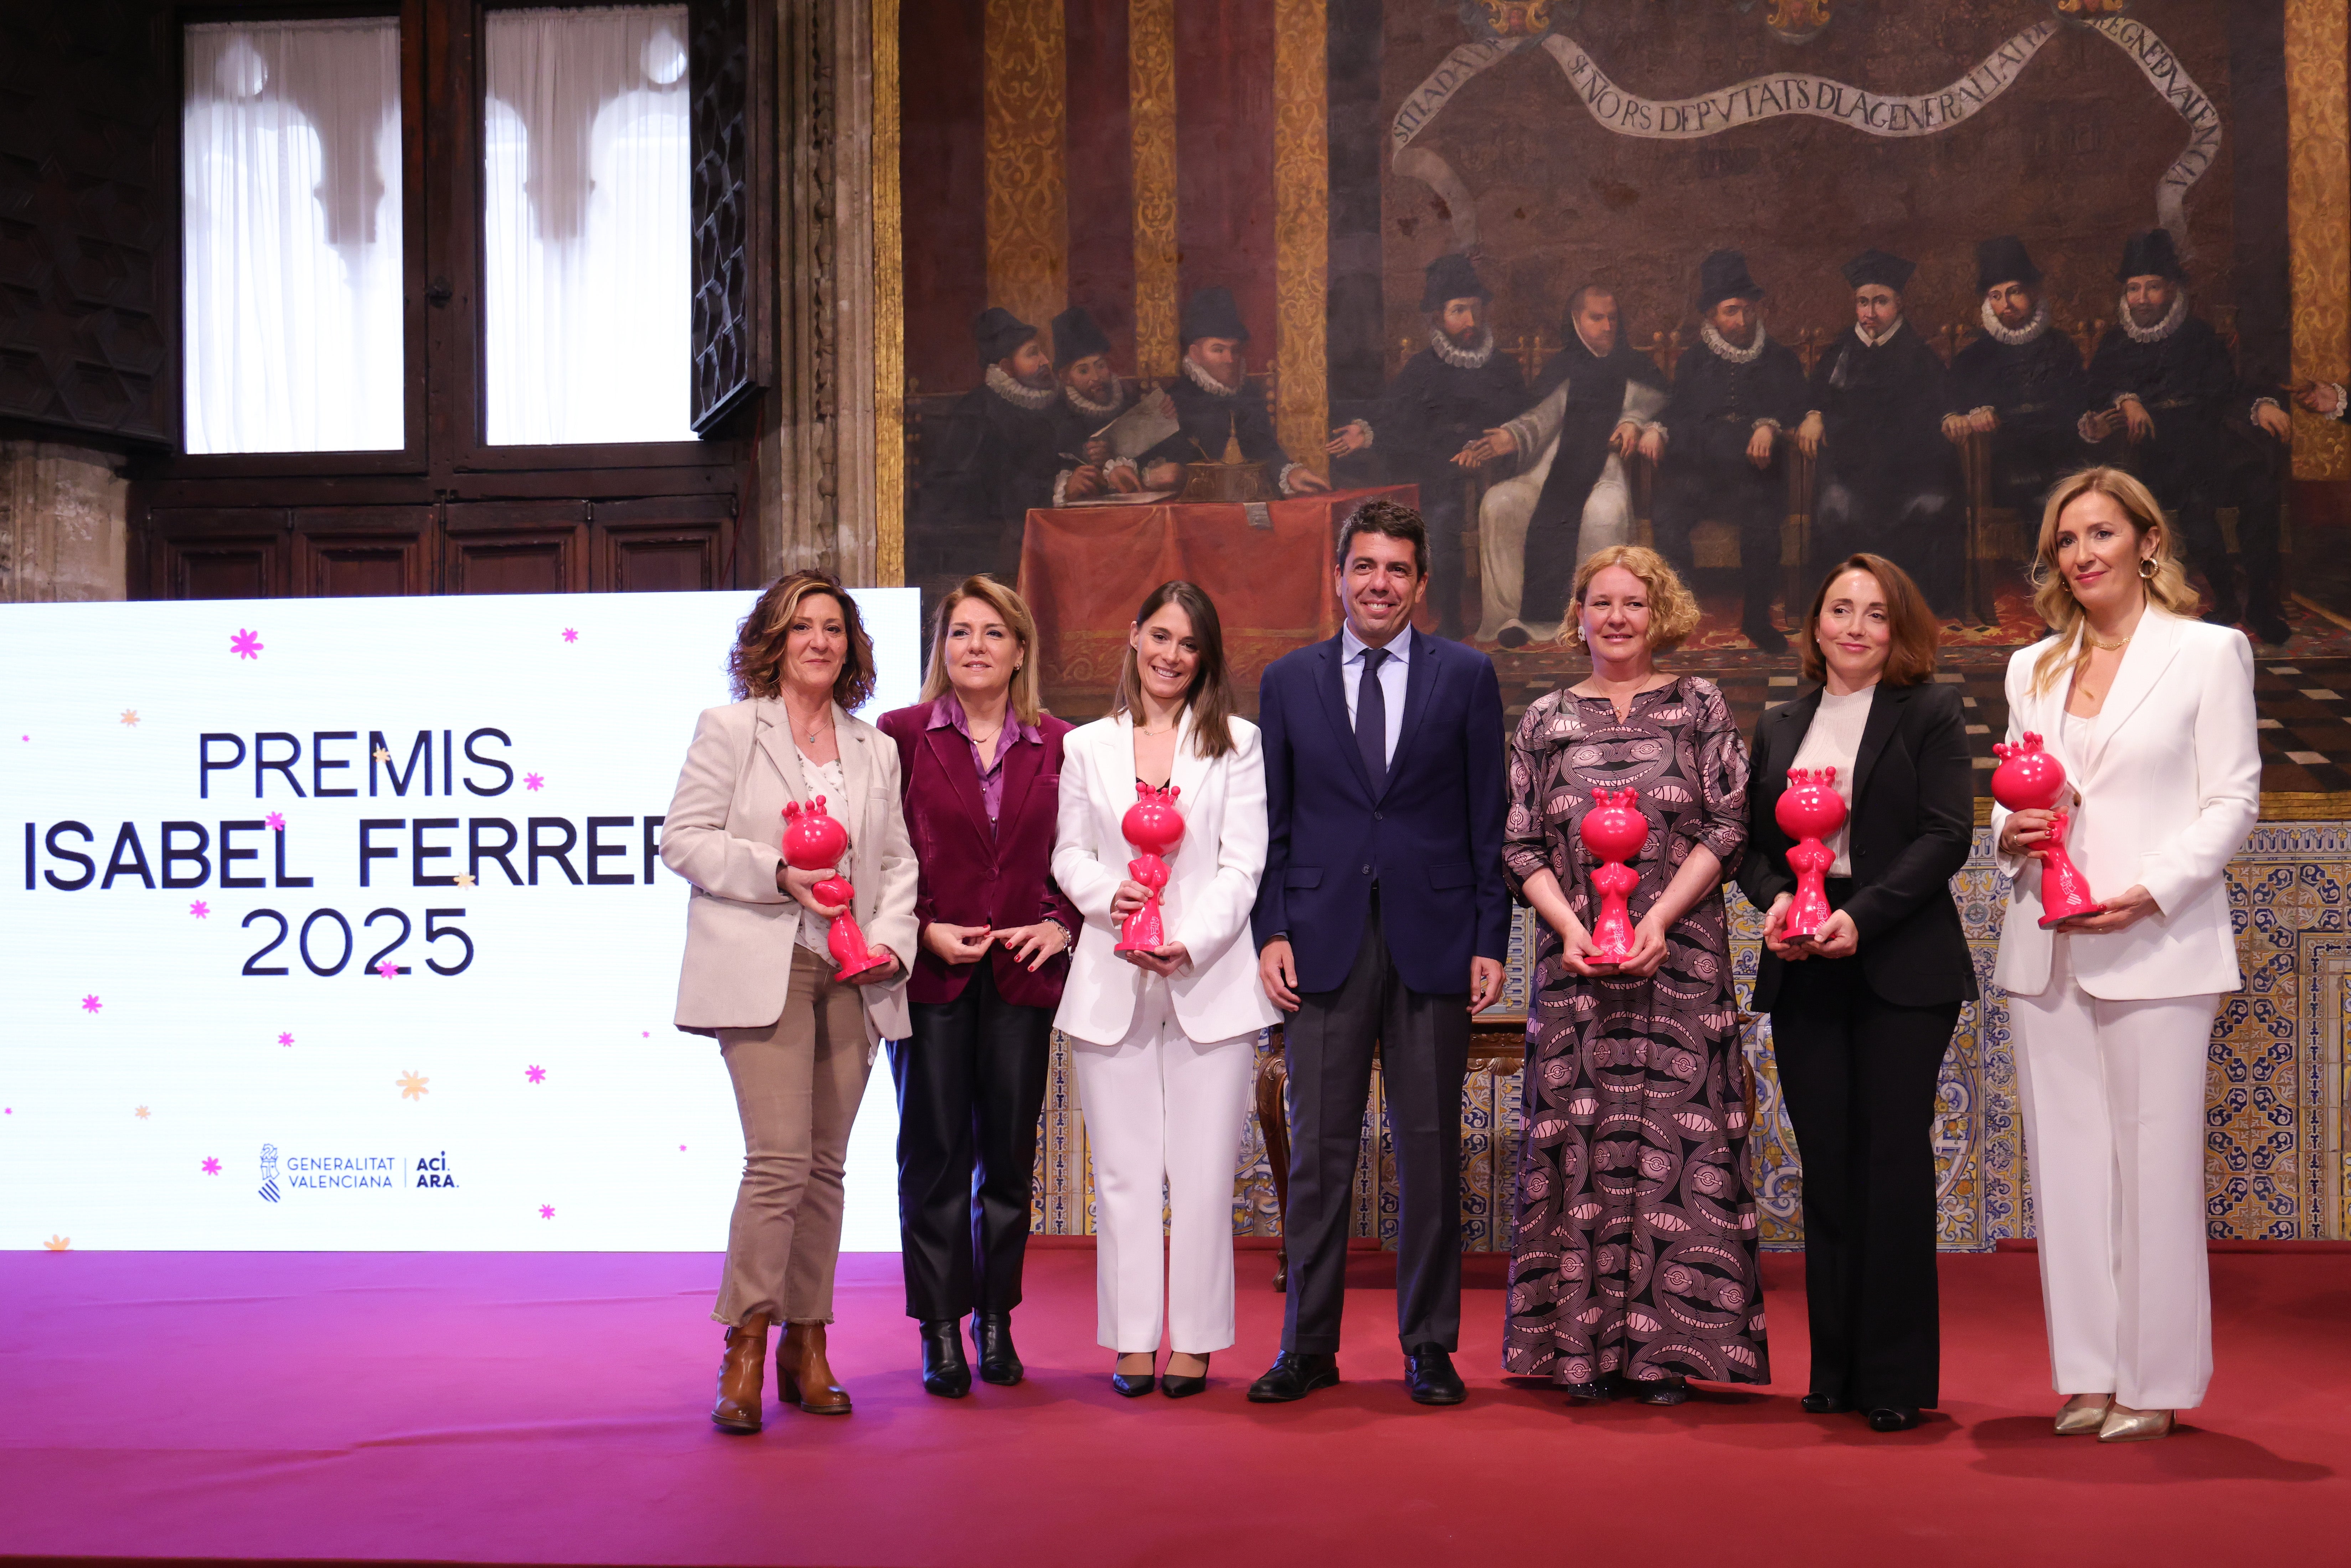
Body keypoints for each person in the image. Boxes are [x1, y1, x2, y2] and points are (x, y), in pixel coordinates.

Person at [1991, 466, 2259, 1443]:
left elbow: (2231, 799)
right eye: (2067, 540)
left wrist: (2146, 891)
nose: (2082, 553)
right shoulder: (2031, 667)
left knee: (2153, 1168)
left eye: (2100, 533)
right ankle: (2090, 1375)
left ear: (2148, 543)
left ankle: (2154, 1382)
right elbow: (2018, 793)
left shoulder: (2205, 653)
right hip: (2046, 945)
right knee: (2066, 1171)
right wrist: (2006, 833)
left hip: (2156, 941)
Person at [1247, 496, 1509, 1407]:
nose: (1379, 583)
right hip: (1317, 944)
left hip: (1434, 943)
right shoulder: (1287, 681)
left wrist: (1488, 937)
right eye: (1364, 566)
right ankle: (1305, 1345)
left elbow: (1487, 818)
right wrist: (1271, 928)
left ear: (1421, 583)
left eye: (1397, 569)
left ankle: (1429, 1346)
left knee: (1429, 1150)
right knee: (1320, 1152)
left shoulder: (1467, 676)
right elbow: (1271, 823)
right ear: (1338, 575)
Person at [1501, 543, 1768, 1404]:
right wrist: (1574, 926)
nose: (1617, 617)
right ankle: (1574, 1350)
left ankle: (1669, 1356)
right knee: (1577, 1143)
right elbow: (1517, 841)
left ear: (1660, 616)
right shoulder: (1542, 720)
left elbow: (1728, 825)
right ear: (1577, 614)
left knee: (1678, 1146)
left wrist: (1655, 920)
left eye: (1634, 604)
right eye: (1601, 602)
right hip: (1575, 961)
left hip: (1678, 958)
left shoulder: (1698, 704)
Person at [662, 571, 918, 1435]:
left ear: (851, 646)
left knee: (826, 1170)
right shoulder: (729, 729)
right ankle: (745, 1344)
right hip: (761, 964)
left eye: (834, 628)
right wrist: (777, 875)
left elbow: (896, 866)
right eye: (802, 626)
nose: (819, 640)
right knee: (777, 1162)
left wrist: (889, 938)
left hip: (853, 972)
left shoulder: (874, 746)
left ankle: (808, 1344)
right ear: (772, 641)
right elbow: (684, 840)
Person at [1739, 553, 1975, 1433]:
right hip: (1799, 956)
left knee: (1891, 1163)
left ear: (1898, 630)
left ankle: (1895, 1375)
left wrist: (1860, 917)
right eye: (1840, 609)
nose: (1854, 627)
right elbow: (1749, 848)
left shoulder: (1931, 710)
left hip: (1898, 957)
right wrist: (1773, 902)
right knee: (1827, 1163)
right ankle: (1831, 1365)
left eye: (1875, 614)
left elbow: (1946, 834)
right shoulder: (1777, 719)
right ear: (1813, 623)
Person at [1051, 581, 1279, 1398]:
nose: (1169, 655)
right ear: (1134, 638)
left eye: (1187, 643)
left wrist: (1190, 940)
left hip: (1207, 980)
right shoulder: (1086, 746)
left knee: (1203, 1172)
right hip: (1110, 977)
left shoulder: (1239, 744)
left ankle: (1198, 1340)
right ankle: (1132, 1338)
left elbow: (1242, 862)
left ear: (1205, 656)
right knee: (1123, 1173)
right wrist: (1099, 896)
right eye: (1158, 636)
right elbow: (1069, 851)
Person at [877, 577, 1075, 1398]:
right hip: (932, 974)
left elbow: (1089, 851)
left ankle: (994, 1318)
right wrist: (921, 925)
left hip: (1024, 976)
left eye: (993, 633)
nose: (976, 647)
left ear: (1020, 649)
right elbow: (877, 852)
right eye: (960, 632)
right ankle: (937, 1327)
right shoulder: (899, 735)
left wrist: (1062, 919)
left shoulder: (1064, 744)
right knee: (932, 1156)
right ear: (942, 648)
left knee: (1005, 1157)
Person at [2084, 228, 2294, 645]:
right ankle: (2228, 600)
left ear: (2172, 289)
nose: (2142, 298)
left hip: (2213, 442)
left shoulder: (2198, 335)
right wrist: (2126, 400)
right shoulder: (2114, 342)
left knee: (2260, 490)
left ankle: (2262, 604)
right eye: (2134, 289)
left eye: (2153, 288)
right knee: (2197, 507)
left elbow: (2230, 388)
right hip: (2156, 453)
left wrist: (2262, 405)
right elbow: (2094, 393)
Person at [1325, 253, 1526, 638]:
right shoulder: (1422, 368)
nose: (1469, 321)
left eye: (1474, 310)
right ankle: (1451, 620)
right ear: (1438, 317)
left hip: (1500, 472)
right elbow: (1397, 418)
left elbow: (1521, 420)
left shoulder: (1504, 367)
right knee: (1441, 518)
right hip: (1441, 472)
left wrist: (1483, 446)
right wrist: (1366, 433)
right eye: (1458, 311)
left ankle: (1510, 619)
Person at [1464, 282, 1666, 646]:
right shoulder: (1562, 367)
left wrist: (1638, 422)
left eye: (1612, 318)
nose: (1607, 327)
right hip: (1547, 472)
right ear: (1576, 320)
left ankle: (1597, 622)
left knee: (1604, 512)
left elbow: (1658, 406)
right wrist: (1511, 436)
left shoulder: (1636, 366)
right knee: (1499, 502)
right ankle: (1510, 618)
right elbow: (1539, 419)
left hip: (1606, 473)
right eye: (1597, 318)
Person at [1646, 249, 1808, 653]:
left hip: (1757, 473)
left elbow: (1798, 402)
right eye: (1732, 312)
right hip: (1702, 472)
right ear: (1713, 316)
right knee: (1667, 517)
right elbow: (1680, 411)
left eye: (1748, 311)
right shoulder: (1693, 363)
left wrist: (1769, 424)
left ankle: (1757, 619)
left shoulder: (1780, 358)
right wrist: (1656, 428)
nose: (1741, 322)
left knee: (1762, 523)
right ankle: (1678, 614)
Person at [1795, 250, 1963, 617]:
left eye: (1880, 302)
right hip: (1852, 468)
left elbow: (1945, 399)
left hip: (1910, 469)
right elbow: (1816, 395)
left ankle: (1912, 606)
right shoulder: (1841, 350)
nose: (1870, 313)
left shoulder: (1918, 353)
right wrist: (1813, 414)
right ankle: (1843, 604)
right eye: (1863, 302)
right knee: (1836, 508)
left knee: (1932, 506)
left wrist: (1950, 415)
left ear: (1899, 304)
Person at [913, 308, 1074, 593]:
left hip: (1031, 529)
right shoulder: (977, 412)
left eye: (1043, 353)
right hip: (981, 544)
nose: (1045, 362)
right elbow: (987, 489)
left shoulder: (1052, 404)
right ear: (1005, 366)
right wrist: (1058, 487)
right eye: (1033, 354)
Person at [1943, 236, 2091, 522]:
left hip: (2061, 455)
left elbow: (2080, 402)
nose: (2006, 304)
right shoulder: (1973, 357)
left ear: (2034, 294)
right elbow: (1952, 406)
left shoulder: (2061, 346)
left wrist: (2088, 422)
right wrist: (1973, 414)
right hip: (2002, 463)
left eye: (2014, 292)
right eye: (1996, 296)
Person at [1135, 287, 1331, 495]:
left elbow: (1265, 450)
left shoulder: (1250, 395)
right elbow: (1146, 463)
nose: (1230, 360)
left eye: (1235, 351)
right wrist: (1156, 475)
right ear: (1195, 354)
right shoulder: (1173, 400)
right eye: (1218, 350)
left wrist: (1290, 473)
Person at [1048, 305, 1135, 502]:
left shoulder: (1129, 401)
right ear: (1066, 378)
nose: (1096, 377)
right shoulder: (1056, 415)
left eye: (1101, 366)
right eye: (1083, 371)